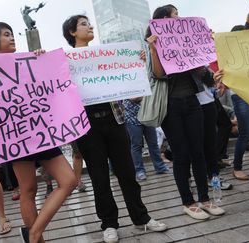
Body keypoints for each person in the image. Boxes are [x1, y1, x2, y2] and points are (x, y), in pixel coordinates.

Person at [62, 15, 167, 243]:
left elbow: (136, 96)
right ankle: (109, 224)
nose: (89, 27)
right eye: (83, 24)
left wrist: (136, 66)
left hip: (115, 120)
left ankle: (141, 219)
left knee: (127, 174)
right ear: (71, 32)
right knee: (100, 178)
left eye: (90, 23)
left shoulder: (107, 56)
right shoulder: (64, 62)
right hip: (87, 127)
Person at [0, 22, 77, 243]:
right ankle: (37, 240)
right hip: (17, 135)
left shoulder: (29, 60)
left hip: (41, 130)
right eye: (6, 35)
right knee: (28, 190)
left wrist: (42, 59)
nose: (12, 37)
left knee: (69, 180)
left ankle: (33, 233)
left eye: (12, 34)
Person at [146, 4, 225, 220]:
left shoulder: (186, 41)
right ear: (163, 20)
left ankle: (205, 198)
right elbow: (158, 75)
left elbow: (203, 72)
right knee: (182, 155)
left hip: (192, 103)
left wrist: (206, 45)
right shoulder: (153, 45)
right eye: (175, 15)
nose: (180, 18)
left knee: (198, 151)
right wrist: (154, 49)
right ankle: (188, 202)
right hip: (170, 107)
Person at [214, 1, 249, 179]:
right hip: (241, 94)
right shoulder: (241, 40)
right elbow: (228, 67)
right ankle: (237, 167)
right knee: (246, 131)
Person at [124, 98, 170, 181]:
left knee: (153, 143)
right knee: (136, 145)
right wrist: (146, 94)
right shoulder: (125, 85)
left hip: (148, 116)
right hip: (132, 118)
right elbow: (134, 98)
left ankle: (160, 167)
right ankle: (139, 171)